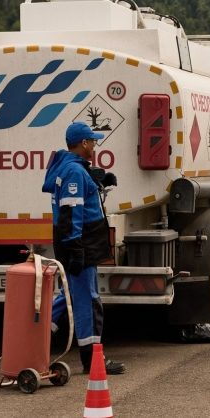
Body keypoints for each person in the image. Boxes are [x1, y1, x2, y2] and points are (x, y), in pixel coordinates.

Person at [42, 121, 126, 375]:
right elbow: (71, 213)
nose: (95, 145)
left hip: (78, 244)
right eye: (92, 141)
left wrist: (96, 181)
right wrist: (76, 249)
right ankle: (92, 361)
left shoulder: (73, 169)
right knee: (88, 302)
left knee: (67, 297)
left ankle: (34, 336)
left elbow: (74, 201)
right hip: (81, 245)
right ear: (83, 144)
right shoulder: (74, 173)